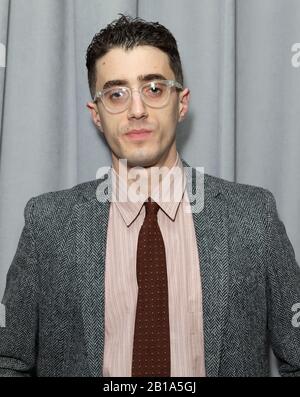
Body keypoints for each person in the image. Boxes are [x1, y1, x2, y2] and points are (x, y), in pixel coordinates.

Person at [0, 14, 300, 378]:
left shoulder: (254, 218)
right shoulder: (47, 225)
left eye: (154, 89)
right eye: (116, 94)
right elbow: (9, 361)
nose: (137, 109)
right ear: (96, 114)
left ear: (182, 102)